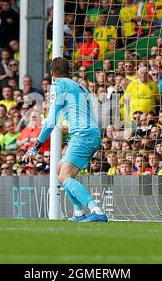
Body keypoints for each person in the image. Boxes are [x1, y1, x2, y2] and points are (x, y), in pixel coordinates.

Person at [23, 57, 108, 222]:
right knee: (60, 168)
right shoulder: (80, 86)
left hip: (82, 134)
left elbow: (51, 120)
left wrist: (36, 147)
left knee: (64, 176)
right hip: (91, 133)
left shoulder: (58, 84)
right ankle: (78, 213)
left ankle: (95, 210)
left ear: (52, 74)